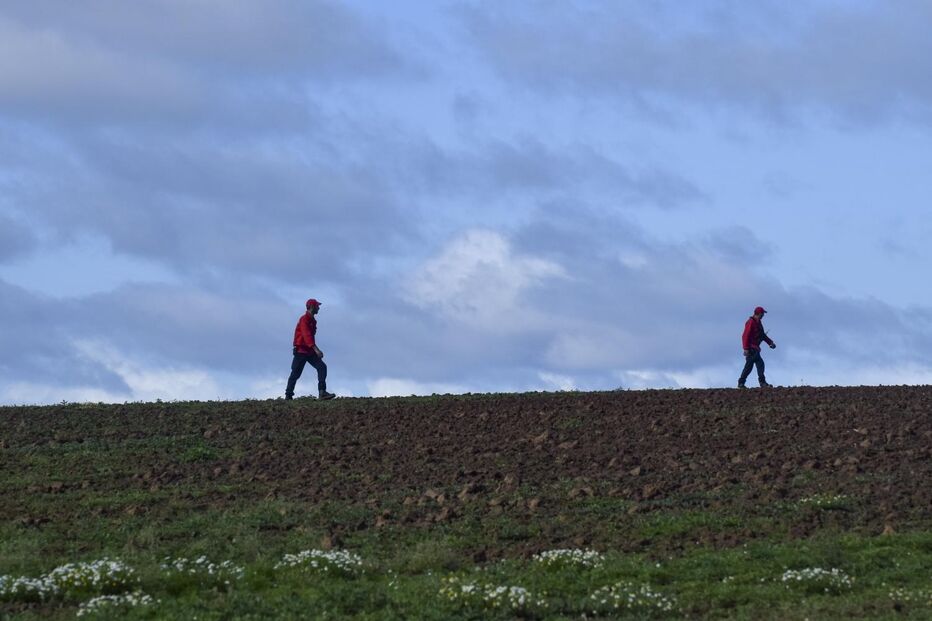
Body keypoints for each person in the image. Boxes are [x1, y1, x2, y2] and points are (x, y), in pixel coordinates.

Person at [285, 298, 335, 400]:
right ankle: (288, 395)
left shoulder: (312, 321)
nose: (319, 308)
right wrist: (316, 350)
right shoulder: (304, 319)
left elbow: (309, 336)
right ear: (312, 307)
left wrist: (313, 349)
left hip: (309, 350)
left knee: (322, 367)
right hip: (301, 351)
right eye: (317, 306)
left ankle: (322, 392)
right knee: (295, 373)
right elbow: (307, 336)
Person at [738, 306, 776, 389]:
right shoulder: (750, 322)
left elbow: (762, 335)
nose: (763, 315)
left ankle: (743, 383)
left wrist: (770, 343)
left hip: (755, 349)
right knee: (750, 367)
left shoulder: (758, 323)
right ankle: (744, 383)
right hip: (751, 349)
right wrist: (746, 348)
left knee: (757, 365)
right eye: (762, 313)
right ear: (759, 313)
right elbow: (745, 335)